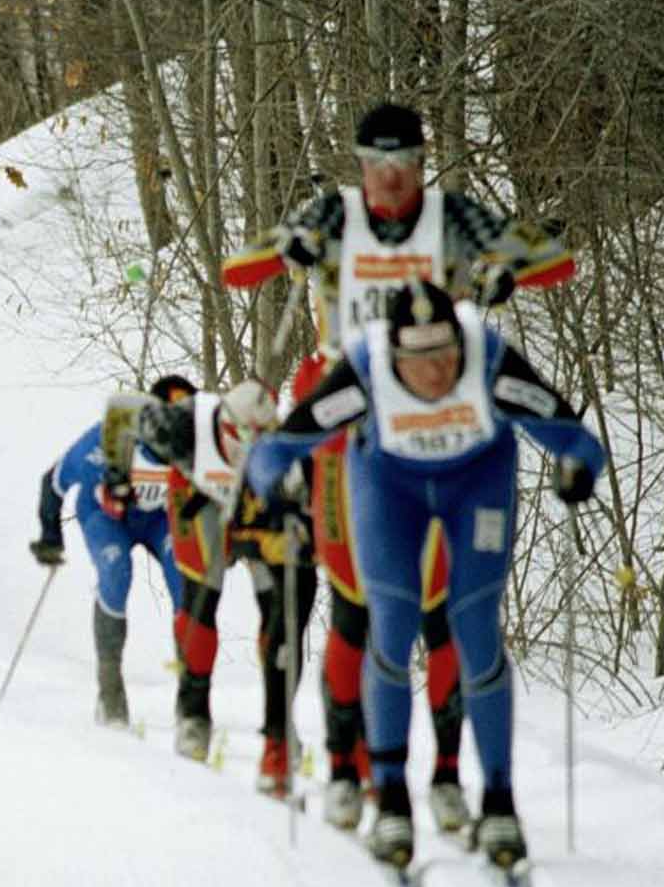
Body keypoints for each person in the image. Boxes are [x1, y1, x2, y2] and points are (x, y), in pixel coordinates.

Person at [223, 100, 576, 832]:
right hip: (344, 426)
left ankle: (446, 772)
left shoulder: (452, 216)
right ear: (359, 163)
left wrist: (512, 266)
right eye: (376, 164)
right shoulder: (334, 216)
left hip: (440, 422)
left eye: (405, 165)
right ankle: (349, 767)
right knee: (356, 600)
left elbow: (553, 258)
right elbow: (236, 269)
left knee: (447, 605)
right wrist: (283, 250)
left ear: (423, 163)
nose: (389, 180)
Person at [245, 280, 606, 871]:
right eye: (418, 360)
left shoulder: (487, 358)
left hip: (477, 484)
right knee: (391, 618)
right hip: (390, 488)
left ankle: (498, 800)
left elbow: (572, 433)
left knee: (475, 627)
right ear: (394, 354)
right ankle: (389, 798)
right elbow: (281, 446)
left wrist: (577, 468)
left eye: (444, 355)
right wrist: (275, 483)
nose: (436, 372)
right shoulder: (365, 369)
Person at [143, 379, 316, 797]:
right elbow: (142, 424)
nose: (247, 444)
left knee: (276, 604)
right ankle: (193, 712)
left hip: (253, 507)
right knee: (203, 591)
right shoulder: (191, 420)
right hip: (198, 498)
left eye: (258, 438)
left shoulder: (283, 445)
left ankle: (279, 718)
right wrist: (173, 464)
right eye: (240, 435)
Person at [29, 374, 193, 726]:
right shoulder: (103, 440)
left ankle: (191, 699)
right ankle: (110, 693)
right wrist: (50, 536)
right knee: (116, 574)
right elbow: (53, 481)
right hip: (106, 518)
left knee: (185, 576)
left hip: (160, 519)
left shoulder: (197, 442)